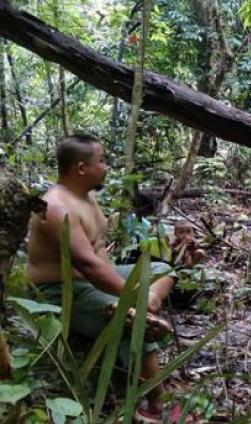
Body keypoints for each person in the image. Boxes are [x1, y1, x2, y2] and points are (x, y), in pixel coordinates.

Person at [26, 134, 178, 421]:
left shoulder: (88, 196)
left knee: (164, 271)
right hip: (62, 291)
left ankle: (143, 307)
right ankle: (157, 402)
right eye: (102, 160)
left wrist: (144, 296)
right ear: (82, 168)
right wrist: (134, 296)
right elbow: (88, 266)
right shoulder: (55, 207)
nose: (107, 166)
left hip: (96, 280)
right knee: (132, 322)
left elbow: (98, 257)